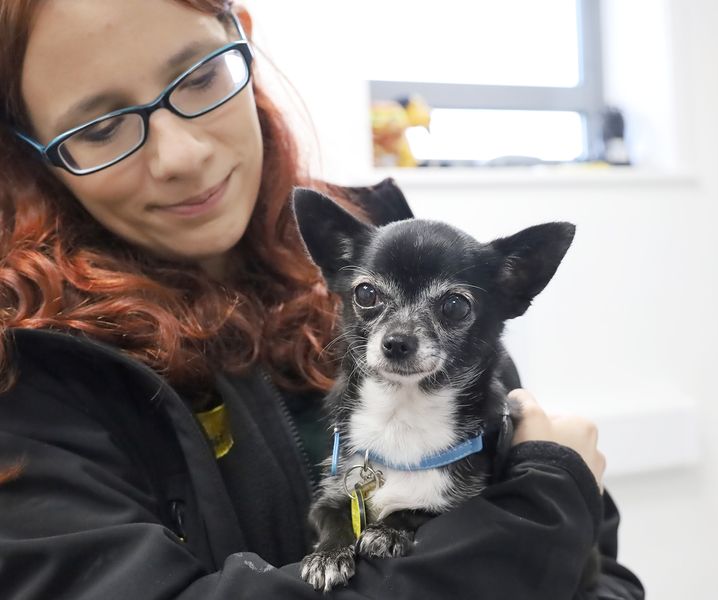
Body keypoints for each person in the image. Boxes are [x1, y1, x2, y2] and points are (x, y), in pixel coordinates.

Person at [0, 1, 645, 598]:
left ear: (241, 40)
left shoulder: (383, 249)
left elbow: (596, 571)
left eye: (198, 78)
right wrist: (539, 513)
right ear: (31, 155)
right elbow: (554, 524)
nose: (183, 155)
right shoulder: (30, 373)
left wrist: (553, 509)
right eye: (102, 126)